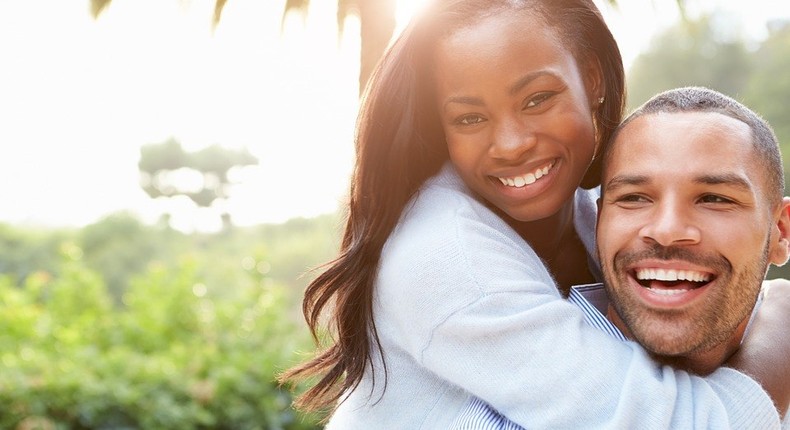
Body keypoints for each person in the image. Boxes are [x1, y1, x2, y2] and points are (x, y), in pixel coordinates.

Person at [280, 0, 790, 428]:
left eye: (537, 98)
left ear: (592, 79)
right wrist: (779, 331)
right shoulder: (445, 254)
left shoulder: (595, 214)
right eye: (470, 117)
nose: (512, 144)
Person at [453, 87, 790, 429]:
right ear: (599, 222)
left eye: (715, 199)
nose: (667, 230)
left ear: (781, 231)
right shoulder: (508, 418)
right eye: (634, 198)